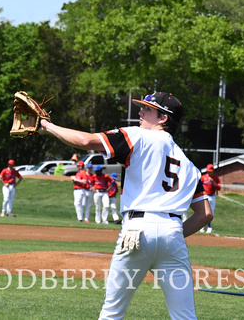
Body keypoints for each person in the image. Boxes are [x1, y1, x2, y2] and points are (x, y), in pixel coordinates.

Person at [36, 91, 212, 319]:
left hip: (137, 230)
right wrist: (172, 234)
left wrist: (47, 126)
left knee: (113, 312)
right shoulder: (188, 164)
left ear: (163, 118)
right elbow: (205, 214)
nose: (140, 112)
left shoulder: (138, 136)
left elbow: (85, 141)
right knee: (184, 315)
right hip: (173, 233)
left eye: (147, 109)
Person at [200, 163, 221, 233]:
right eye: (208, 171)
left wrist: (213, 183)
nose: (209, 173)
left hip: (212, 196)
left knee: (210, 213)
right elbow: (199, 185)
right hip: (205, 196)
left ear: (213, 171)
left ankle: (209, 227)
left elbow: (219, 188)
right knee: (204, 212)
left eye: (210, 171)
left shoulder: (216, 178)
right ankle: (203, 226)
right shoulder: (203, 177)